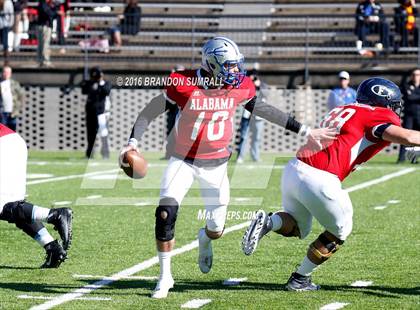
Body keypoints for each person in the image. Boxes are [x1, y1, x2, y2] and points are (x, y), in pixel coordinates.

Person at [119, 36, 337, 299]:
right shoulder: (182, 82)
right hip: (182, 160)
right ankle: (165, 277)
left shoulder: (241, 86)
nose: (236, 71)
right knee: (165, 212)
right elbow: (149, 111)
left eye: (236, 65)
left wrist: (305, 130)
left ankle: (205, 239)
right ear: (212, 63)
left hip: (216, 165)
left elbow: (263, 109)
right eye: (230, 66)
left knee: (216, 229)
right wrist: (133, 142)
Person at [243, 77, 420, 291]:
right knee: (341, 229)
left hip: (294, 169)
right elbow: (407, 136)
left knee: (299, 226)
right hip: (321, 176)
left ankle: (269, 223)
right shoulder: (377, 114)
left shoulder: (344, 108)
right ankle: (300, 279)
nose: (395, 109)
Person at [0, 123, 73, 268]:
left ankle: (55, 215)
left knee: (5, 207)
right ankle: (53, 248)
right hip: (9, 142)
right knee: (15, 209)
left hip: (4, 144)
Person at [81, 66, 111, 159]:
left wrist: (100, 82)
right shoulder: (90, 84)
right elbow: (84, 90)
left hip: (101, 113)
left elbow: (106, 91)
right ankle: (89, 153)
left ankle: (105, 153)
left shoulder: (106, 83)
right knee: (90, 135)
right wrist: (88, 82)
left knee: (103, 134)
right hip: (91, 112)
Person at [236, 69, 266, 163]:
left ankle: (255, 156)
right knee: (243, 136)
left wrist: (259, 86)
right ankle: (240, 156)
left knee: (257, 138)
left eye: (254, 76)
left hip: (258, 117)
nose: (253, 79)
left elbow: (267, 94)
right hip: (247, 115)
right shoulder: (245, 85)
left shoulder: (263, 86)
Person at [397, 68, 420, 163]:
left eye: (418, 75)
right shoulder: (407, 85)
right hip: (408, 116)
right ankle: (401, 159)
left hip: (419, 115)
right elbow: (407, 96)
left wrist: (412, 96)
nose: (416, 77)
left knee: (418, 138)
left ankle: (414, 159)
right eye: (414, 74)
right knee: (405, 137)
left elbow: (410, 97)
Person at [37, 0, 61, 67]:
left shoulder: (47, 3)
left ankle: (41, 60)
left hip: (45, 26)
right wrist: (56, 12)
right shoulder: (43, 3)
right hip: (44, 26)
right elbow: (48, 13)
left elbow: (52, 14)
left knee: (43, 44)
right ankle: (45, 61)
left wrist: (54, 9)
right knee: (44, 44)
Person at [0, 66, 24, 131]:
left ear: (10, 74)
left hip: (12, 112)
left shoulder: (15, 83)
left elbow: (21, 96)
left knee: (12, 131)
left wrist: (18, 108)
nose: (6, 74)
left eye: (8, 72)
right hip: (2, 113)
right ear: (2, 73)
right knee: (2, 132)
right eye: (5, 72)